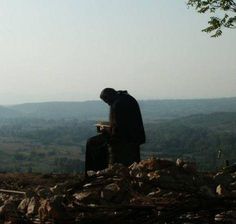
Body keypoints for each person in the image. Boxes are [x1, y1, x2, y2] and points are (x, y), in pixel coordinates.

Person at [85, 88, 145, 175]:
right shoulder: (127, 98)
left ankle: (95, 173)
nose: (107, 104)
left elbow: (117, 132)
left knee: (92, 143)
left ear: (108, 97)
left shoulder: (117, 104)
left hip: (124, 140)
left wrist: (104, 130)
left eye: (106, 101)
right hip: (136, 137)